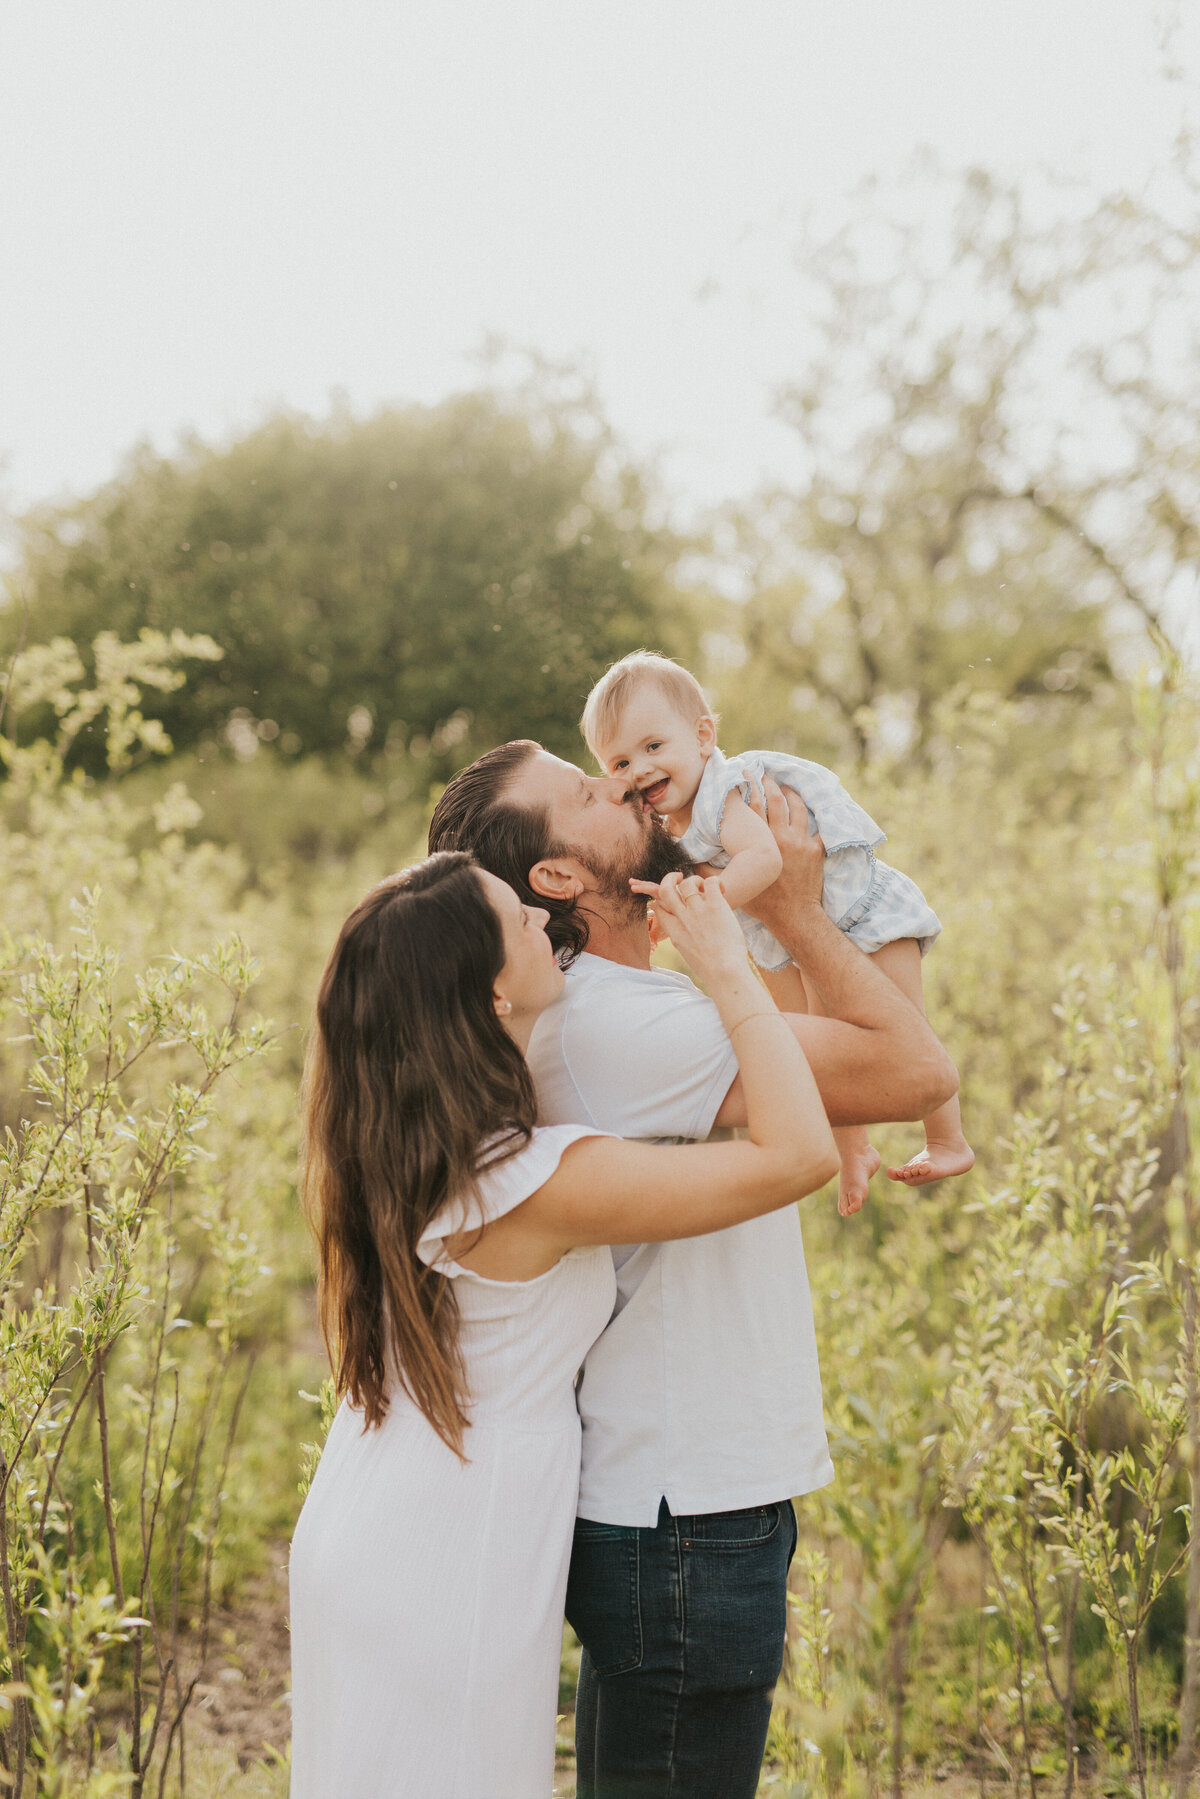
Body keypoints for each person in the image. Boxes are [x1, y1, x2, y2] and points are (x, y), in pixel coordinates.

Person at [428, 743, 958, 1799]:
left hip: (680, 1493)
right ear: (560, 877)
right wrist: (801, 909)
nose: (622, 781)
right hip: (684, 1508)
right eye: (587, 792)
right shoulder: (625, 1024)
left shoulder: (631, 1002)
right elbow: (915, 1069)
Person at [288, 850, 838, 1799]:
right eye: (520, 922)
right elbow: (798, 1154)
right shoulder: (535, 1177)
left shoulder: (412, 1141)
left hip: (374, 1511)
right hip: (446, 1543)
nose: (548, 924)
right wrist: (726, 968)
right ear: (490, 994)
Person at [581, 649, 974, 1215]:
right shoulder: (669, 823)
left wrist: (705, 904)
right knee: (817, 1041)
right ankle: (854, 1149)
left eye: (653, 747)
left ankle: (947, 1141)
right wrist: (665, 915)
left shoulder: (724, 793)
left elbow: (765, 861)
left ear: (703, 736)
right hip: (789, 941)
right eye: (618, 763)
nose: (638, 770)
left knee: (905, 1027)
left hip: (863, 917)